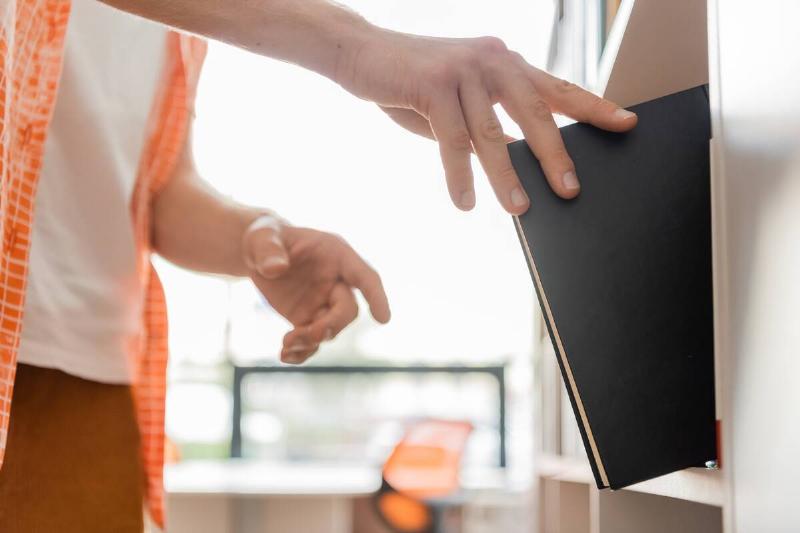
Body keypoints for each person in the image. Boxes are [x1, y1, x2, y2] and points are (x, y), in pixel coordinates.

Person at [0, 0, 637, 530]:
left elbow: (157, 194)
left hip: (91, 378)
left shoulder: (177, 34)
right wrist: (355, 48)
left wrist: (255, 235)